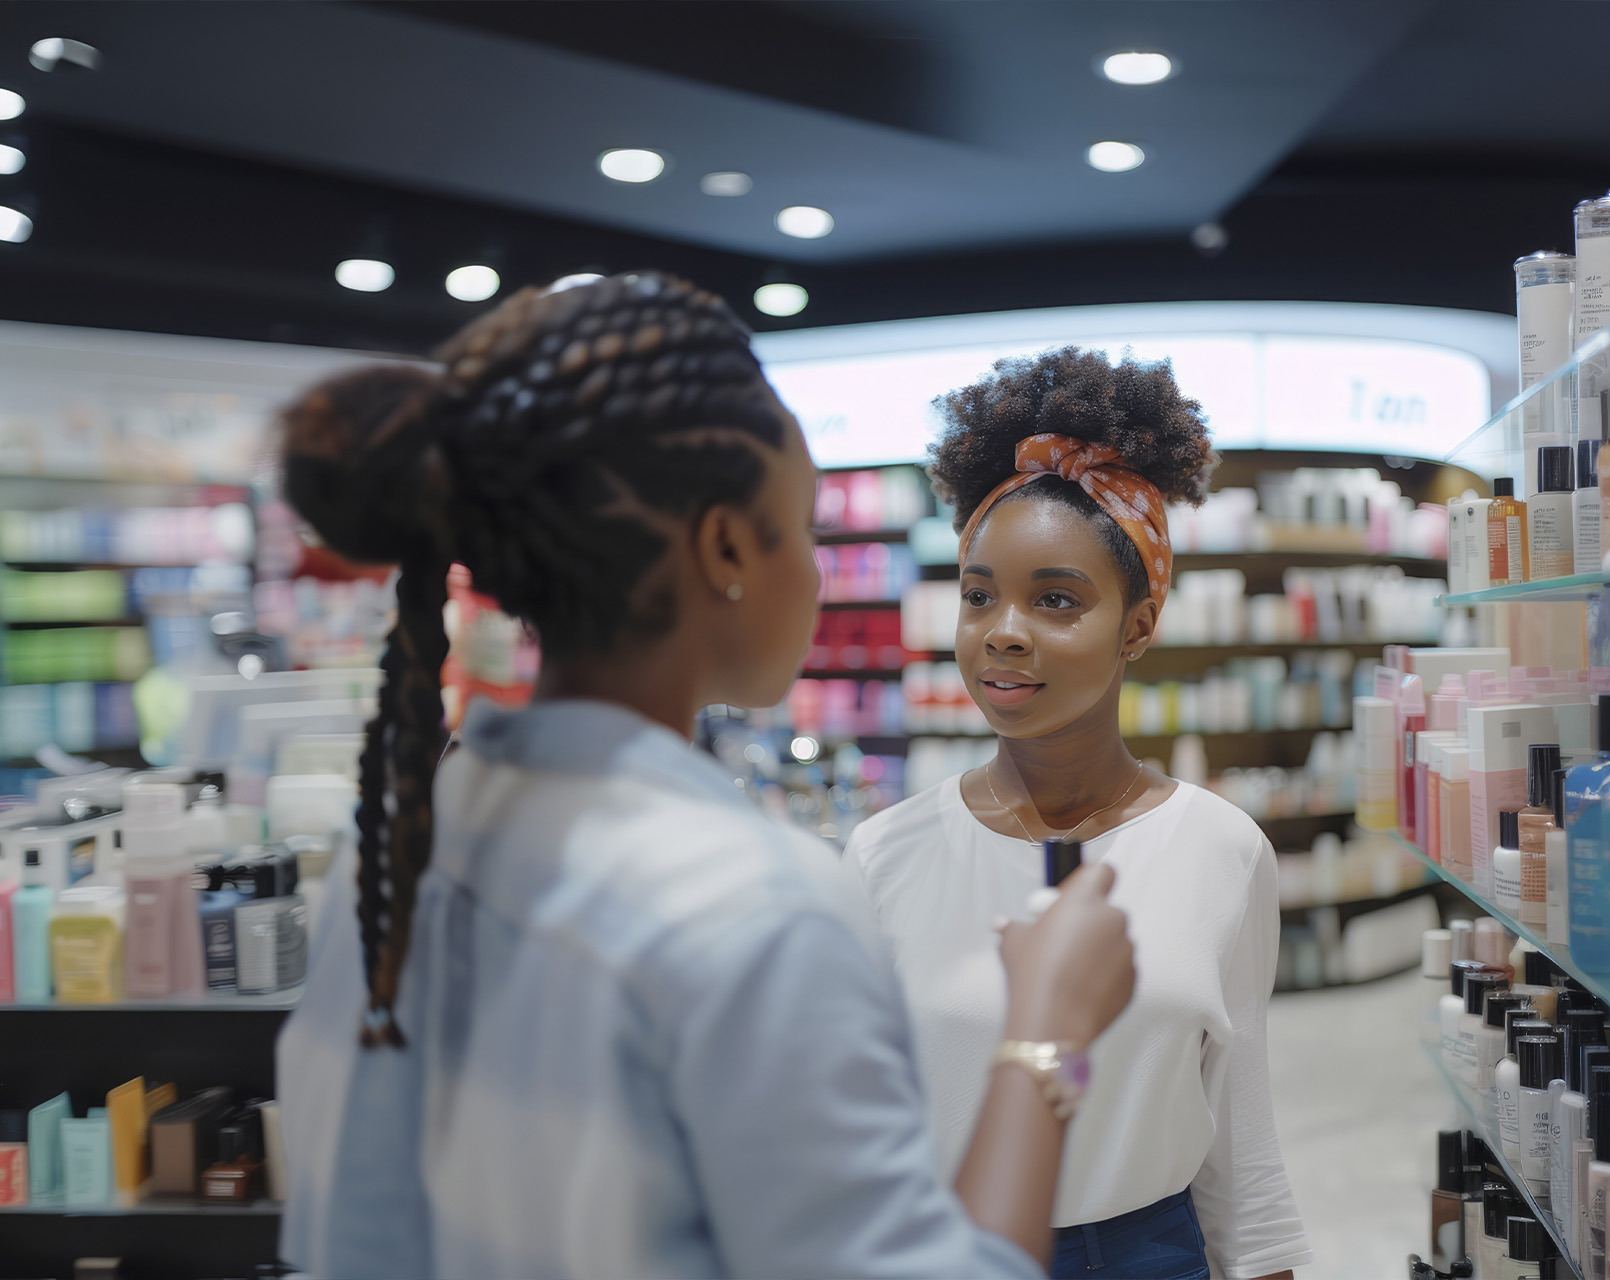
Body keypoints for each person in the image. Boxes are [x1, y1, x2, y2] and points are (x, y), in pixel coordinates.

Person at [271, 274, 1136, 1279]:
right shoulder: (757, 911)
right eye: (803, 524)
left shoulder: (394, 854)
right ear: (726, 545)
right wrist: (1046, 1032)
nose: (817, 572)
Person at [847, 348, 1311, 1280]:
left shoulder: (1223, 850)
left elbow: (1240, 1141)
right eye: (979, 596)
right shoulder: (882, 854)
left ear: (1139, 626)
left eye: (1056, 599)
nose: (1003, 630)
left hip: (1150, 1253)